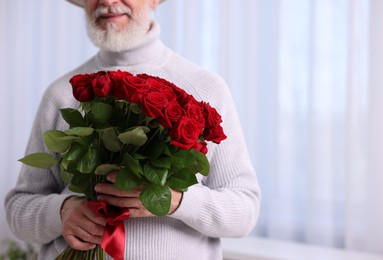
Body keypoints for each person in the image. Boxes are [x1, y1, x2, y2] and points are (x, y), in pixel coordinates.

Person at [5, 0, 260, 259]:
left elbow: (245, 211)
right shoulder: (61, 93)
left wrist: (175, 200)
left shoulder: (206, 89)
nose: (106, 1)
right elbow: (17, 210)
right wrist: (61, 211)